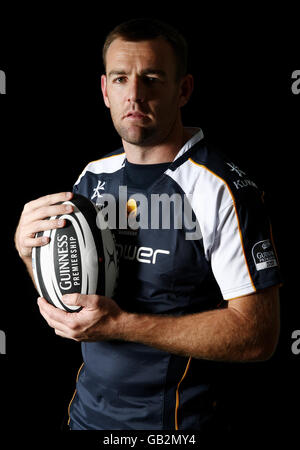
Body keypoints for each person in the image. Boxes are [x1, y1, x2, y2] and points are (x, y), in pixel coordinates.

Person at [15, 18, 282, 432]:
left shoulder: (219, 189)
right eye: (121, 79)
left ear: (184, 90)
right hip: (86, 417)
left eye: (152, 79)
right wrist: (28, 253)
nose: (134, 94)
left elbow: (258, 335)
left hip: (175, 425)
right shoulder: (90, 179)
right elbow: (71, 301)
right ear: (106, 90)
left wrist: (122, 325)